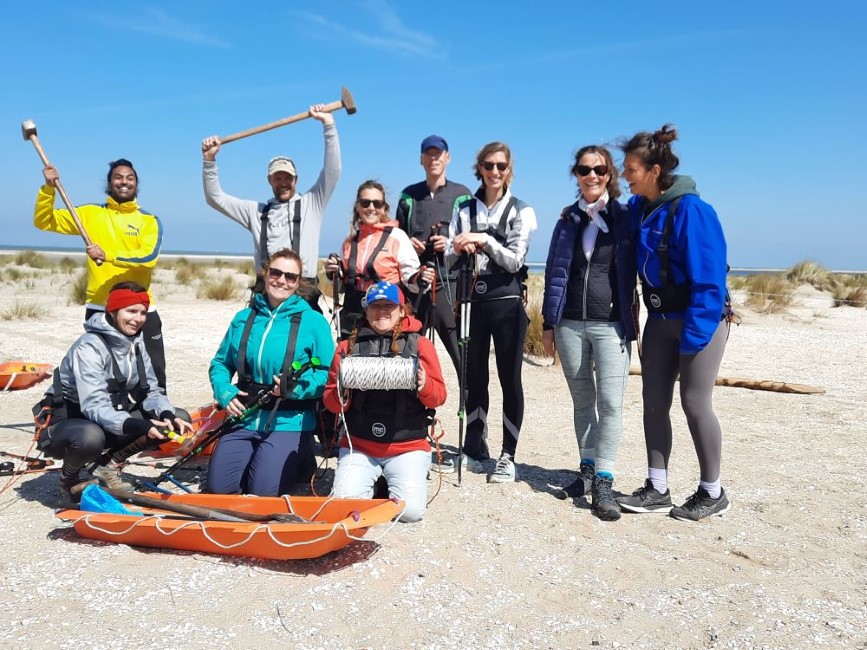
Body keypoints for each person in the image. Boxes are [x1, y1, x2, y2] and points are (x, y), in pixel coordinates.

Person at [616, 124, 732, 522]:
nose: (624, 176)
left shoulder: (694, 211)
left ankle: (712, 491)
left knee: (695, 402)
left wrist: (693, 339)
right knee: (653, 402)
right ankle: (657, 487)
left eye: (630, 169)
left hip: (700, 320)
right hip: (659, 318)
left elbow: (710, 280)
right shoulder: (640, 208)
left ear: (653, 170)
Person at [541, 145, 637, 521]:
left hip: (611, 323)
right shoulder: (567, 219)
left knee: (611, 403)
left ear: (610, 174)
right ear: (576, 175)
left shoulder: (626, 216)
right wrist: (550, 322)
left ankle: (605, 480)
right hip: (569, 324)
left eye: (599, 169)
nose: (592, 175)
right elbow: (554, 272)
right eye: (584, 170)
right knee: (583, 402)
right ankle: (585, 470)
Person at [35, 282, 191, 502]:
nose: (138, 319)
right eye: (131, 311)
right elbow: (94, 405)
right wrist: (141, 425)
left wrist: (167, 415)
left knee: (177, 417)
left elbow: (150, 391)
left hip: (107, 420)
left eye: (143, 313)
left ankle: (107, 466)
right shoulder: (88, 346)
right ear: (113, 311)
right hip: (67, 425)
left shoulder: (136, 343)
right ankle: (68, 479)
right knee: (90, 437)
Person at [444, 142, 537, 483]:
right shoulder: (464, 209)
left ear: (509, 170)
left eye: (501, 166)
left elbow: (515, 260)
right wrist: (458, 245)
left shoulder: (521, 211)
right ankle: (474, 443)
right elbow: (448, 258)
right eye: (488, 165)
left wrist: (482, 240)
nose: (494, 172)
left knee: (509, 378)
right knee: (473, 377)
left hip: (506, 301)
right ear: (479, 168)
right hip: (471, 300)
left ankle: (508, 455)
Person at [208, 248, 334, 496]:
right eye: (276, 273)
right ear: (265, 274)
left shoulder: (313, 322)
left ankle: (302, 457)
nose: (282, 281)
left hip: (290, 420)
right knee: (219, 490)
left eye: (291, 277)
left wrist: (296, 388)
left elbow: (327, 375)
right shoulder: (243, 318)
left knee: (263, 493)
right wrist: (225, 391)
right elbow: (220, 364)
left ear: (298, 283)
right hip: (244, 417)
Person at [34, 160, 168, 392]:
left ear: (136, 184)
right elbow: (44, 221)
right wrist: (48, 189)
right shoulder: (89, 214)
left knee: (153, 373)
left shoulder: (149, 221)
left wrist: (107, 255)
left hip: (141, 309)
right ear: (109, 183)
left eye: (129, 178)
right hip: (100, 307)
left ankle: (160, 416)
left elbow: (148, 257)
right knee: (105, 373)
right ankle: (110, 418)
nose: (124, 182)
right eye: (118, 177)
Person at [322, 281, 447, 522]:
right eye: (375, 306)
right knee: (344, 509)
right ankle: (376, 482)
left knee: (410, 513)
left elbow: (439, 396)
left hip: (407, 446)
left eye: (388, 306)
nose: (381, 312)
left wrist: (425, 385)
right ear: (366, 311)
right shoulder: (346, 348)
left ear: (402, 310)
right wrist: (342, 393)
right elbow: (331, 403)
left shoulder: (420, 345)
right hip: (360, 445)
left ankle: (391, 479)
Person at [201, 105, 341, 311]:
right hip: (266, 289)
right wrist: (209, 160)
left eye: (288, 178)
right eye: (278, 178)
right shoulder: (255, 211)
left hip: (304, 290)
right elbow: (215, 198)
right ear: (270, 180)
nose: (283, 182)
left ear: (296, 179)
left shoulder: (313, 203)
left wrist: (328, 124)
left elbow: (333, 171)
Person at [396, 135, 472, 372]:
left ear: (447, 158)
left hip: (450, 284)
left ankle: (469, 404)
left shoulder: (462, 195)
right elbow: (396, 236)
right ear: (421, 159)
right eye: (428, 154)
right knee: (408, 347)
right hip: (416, 284)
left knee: (461, 353)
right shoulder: (408, 195)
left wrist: (449, 243)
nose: (433, 159)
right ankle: (410, 406)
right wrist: (410, 244)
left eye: (438, 154)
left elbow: (472, 238)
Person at [325, 180, 434, 337]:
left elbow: (410, 277)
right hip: (354, 314)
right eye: (365, 203)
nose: (371, 208)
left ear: (384, 208)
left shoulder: (397, 237)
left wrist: (420, 277)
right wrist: (332, 273)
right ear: (357, 206)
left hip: (387, 311)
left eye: (377, 204)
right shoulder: (349, 242)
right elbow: (342, 285)